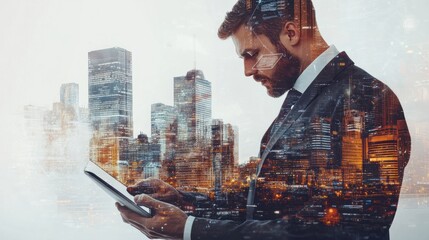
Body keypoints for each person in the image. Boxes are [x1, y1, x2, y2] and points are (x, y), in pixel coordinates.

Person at [116, 0, 411, 239]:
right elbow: (271, 201)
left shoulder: (367, 98)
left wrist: (191, 228)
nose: (247, 70)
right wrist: (183, 200)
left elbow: (341, 230)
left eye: (252, 53)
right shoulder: (306, 98)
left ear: (292, 33)